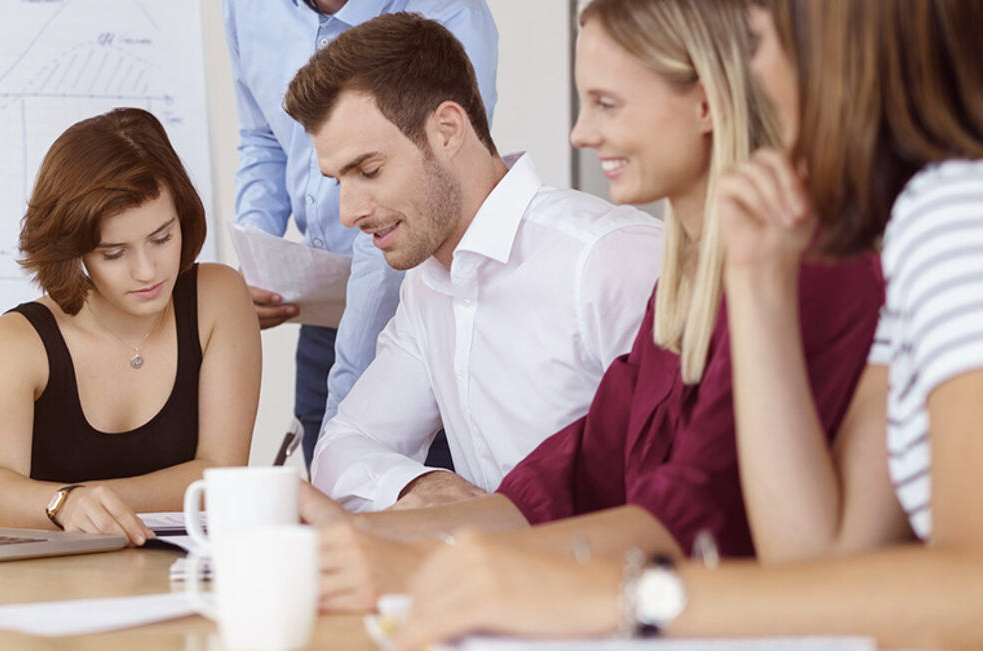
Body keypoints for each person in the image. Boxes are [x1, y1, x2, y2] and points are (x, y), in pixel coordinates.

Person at [388, 0, 983, 647]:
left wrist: (614, 596)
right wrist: (757, 286)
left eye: (761, 41)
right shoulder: (901, 230)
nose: (754, 74)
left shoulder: (947, 212)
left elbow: (963, 587)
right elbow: (821, 561)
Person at [301, 0, 886, 614]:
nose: (579, 134)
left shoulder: (654, 261)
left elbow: (685, 513)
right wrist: (368, 533)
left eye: (607, 103)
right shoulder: (684, 283)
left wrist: (446, 561)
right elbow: (572, 478)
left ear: (709, 102)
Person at [285, 12, 664, 526]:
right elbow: (343, 446)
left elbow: (680, 486)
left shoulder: (607, 259)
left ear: (447, 130)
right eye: (337, 181)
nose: (349, 212)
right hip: (496, 589)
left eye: (369, 171)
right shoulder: (428, 286)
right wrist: (423, 484)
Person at [0, 108, 261, 547]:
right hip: (50, 587)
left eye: (162, 238)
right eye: (115, 253)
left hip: (183, 577)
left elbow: (220, 478)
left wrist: (73, 502)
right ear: (73, 251)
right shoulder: (14, 344)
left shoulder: (218, 298)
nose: (148, 271)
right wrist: (65, 506)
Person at [222, 0, 498, 468]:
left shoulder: (448, 12)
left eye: (367, 169)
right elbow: (263, 138)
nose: (347, 210)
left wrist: (343, 420)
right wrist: (258, 257)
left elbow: (421, 190)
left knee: (434, 500)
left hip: (420, 296)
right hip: (324, 313)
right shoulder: (247, 9)